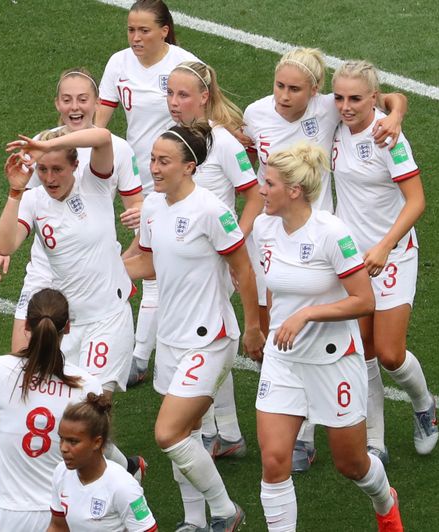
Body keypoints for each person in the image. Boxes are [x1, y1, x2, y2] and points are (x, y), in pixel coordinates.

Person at [243, 47, 409, 473]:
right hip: (276, 232)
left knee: (360, 344)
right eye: (279, 85)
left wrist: (397, 113)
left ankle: (373, 436)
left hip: (330, 243)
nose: (283, 95)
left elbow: (384, 97)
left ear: (313, 91)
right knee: (282, 321)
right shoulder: (257, 113)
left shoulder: (332, 108)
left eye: (294, 88)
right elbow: (245, 153)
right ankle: (301, 434)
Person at [251, 143, 403, 531]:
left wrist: (307, 314)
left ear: (294, 191)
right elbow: (270, 287)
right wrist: (264, 326)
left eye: (267, 183)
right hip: (283, 360)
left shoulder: (332, 233)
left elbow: (364, 300)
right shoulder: (265, 228)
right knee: (273, 461)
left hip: (332, 361)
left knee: (351, 464)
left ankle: (386, 504)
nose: (260, 189)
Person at [125, 122, 263, 532]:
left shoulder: (212, 211)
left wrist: (254, 327)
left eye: (164, 161)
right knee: (190, 431)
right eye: (151, 159)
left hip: (211, 337)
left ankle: (225, 511)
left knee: (169, 432)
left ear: (189, 166)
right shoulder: (152, 206)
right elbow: (149, 262)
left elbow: (244, 271)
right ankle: (194, 521)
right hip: (170, 337)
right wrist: (105, 270)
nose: (154, 167)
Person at [0, 126, 145, 478]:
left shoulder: (94, 185)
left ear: (75, 166)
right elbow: (5, 246)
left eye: (57, 169)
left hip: (109, 319)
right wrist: (16, 190)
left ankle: (112, 497)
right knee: (75, 426)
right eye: (43, 170)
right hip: (69, 329)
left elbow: (103, 138)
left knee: (89, 418)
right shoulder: (33, 201)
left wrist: (48, 144)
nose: (49, 177)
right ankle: (129, 470)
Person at [0, 67, 144, 353]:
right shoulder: (40, 143)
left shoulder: (116, 149)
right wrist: (2, 248)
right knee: (23, 358)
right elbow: (28, 198)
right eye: (67, 99)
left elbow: (135, 207)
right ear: (57, 104)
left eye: (83, 99)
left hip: (90, 261)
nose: (75, 107)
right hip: (47, 262)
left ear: (97, 103)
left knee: (84, 365)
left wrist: (132, 249)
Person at [157, 60, 262, 470]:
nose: (174, 102)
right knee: (205, 335)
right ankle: (229, 432)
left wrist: (236, 234)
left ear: (204, 97)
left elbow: (253, 194)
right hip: (190, 250)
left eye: (183, 94)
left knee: (205, 336)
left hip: (212, 256)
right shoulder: (172, 140)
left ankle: (212, 432)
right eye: (169, 93)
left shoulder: (223, 142)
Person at [331, 60, 437, 463]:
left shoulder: (388, 138)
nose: (345, 106)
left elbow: (417, 201)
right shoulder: (335, 119)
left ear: (372, 97)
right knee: (362, 348)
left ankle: (424, 406)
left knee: (391, 353)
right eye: (339, 97)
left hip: (391, 256)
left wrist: (386, 246)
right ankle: (375, 437)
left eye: (355, 98)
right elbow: (397, 97)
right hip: (351, 260)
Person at [96, 0, 201, 386]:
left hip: (171, 181)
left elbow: (204, 114)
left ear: (165, 31)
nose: (136, 37)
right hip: (133, 177)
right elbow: (101, 120)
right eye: (131, 30)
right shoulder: (118, 63)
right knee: (147, 258)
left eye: (143, 30)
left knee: (152, 263)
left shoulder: (185, 64)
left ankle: (139, 356)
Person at [0, 289, 103, 532]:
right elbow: (94, 457)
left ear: (26, 326)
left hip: (5, 513)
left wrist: (3, 473)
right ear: (68, 327)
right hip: (63, 515)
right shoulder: (88, 385)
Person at [48, 393, 158, 532]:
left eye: (73, 441)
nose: (63, 448)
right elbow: (58, 527)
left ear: (97, 442)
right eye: (62, 439)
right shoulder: (61, 472)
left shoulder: (123, 486)